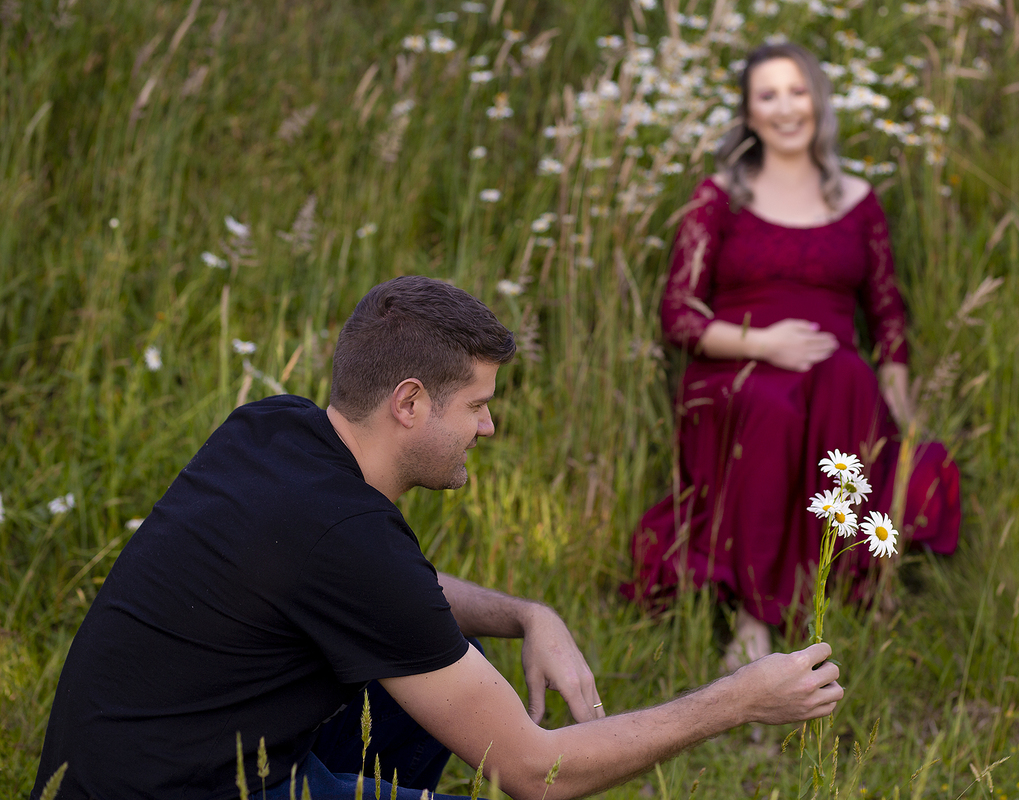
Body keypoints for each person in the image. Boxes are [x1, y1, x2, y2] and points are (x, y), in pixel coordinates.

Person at [30, 276, 843, 800]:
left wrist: (528, 613)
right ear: (411, 403)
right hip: (190, 789)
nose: (489, 427)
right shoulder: (350, 542)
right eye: (478, 406)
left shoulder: (272, 429)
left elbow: (394, 598)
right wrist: (738, 699)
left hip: (126, 771)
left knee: (448, 666)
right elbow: (536, 772)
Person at [623, 42, 961, 671]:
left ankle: (844, 583)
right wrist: (764, 343)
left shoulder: (857, 200)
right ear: (749, 112)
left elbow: (887, 316)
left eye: (797, 92)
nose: (785, 108)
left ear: (818, 101)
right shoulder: (719, 196)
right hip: (738, 364)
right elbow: (679, 313)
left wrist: (901, 406)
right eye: (767, 95)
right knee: (771, 406)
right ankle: (755, 615)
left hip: (832, 371)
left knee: (847, 379)